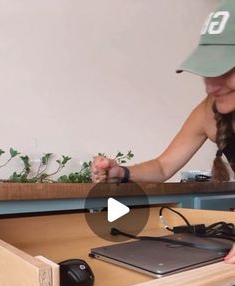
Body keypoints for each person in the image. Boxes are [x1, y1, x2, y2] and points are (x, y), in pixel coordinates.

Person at [91, 0, 235, 263]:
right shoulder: (208, 112)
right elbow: (162, 166)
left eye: (225, 69)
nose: (211, 87)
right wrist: (120, 172)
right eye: (206, 70)